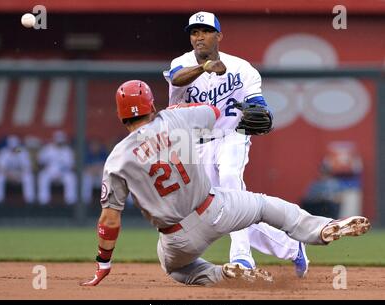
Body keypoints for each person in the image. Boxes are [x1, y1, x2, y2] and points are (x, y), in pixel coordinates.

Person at [80, 80, 370, 287]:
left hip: (177, 238)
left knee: (178, 271)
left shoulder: (117, 159)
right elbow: (213, 112)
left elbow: (109, 219)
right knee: (265, 206)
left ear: (120, 115)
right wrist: (182, 107)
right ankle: (321, 227)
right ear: (151, 105)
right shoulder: (174, 119)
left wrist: (103, 262)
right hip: (215, 209)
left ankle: (224, 274)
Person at [163, 11, 308, 277]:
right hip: (194, 144)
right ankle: (291, 247)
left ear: (219, 36)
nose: (199, 37)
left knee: (231, 182)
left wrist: (262, 112)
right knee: (218, 214)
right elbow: (176, 79)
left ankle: (242, 258)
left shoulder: (242, 68)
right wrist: (203, 67)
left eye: (205, 31)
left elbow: (257, 103)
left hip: (232, 136)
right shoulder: (181, 63)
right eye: (194, 32)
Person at [37, 130, 77, 205]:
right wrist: (46, 167)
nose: (59, 143)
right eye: (58, 141)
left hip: (64, 172)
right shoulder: (47, 149)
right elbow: (40, 162)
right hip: (50, 171)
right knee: (43, 176)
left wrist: (62, 171)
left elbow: (71, 165)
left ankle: (70, 202)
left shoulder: (67, 150)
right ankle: (43, 202)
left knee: (70, 178)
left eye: (61, 141)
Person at [0, 135, 35, 204]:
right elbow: (1, 168)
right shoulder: (4, 152)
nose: (13, 149)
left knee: (28, 177)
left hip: (20, 173)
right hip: (8, 174)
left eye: (15, 147)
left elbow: (27, 167)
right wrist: (9, 176)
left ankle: (29, 199)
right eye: (11, 147)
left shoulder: (22, 152)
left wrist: (19, 175)